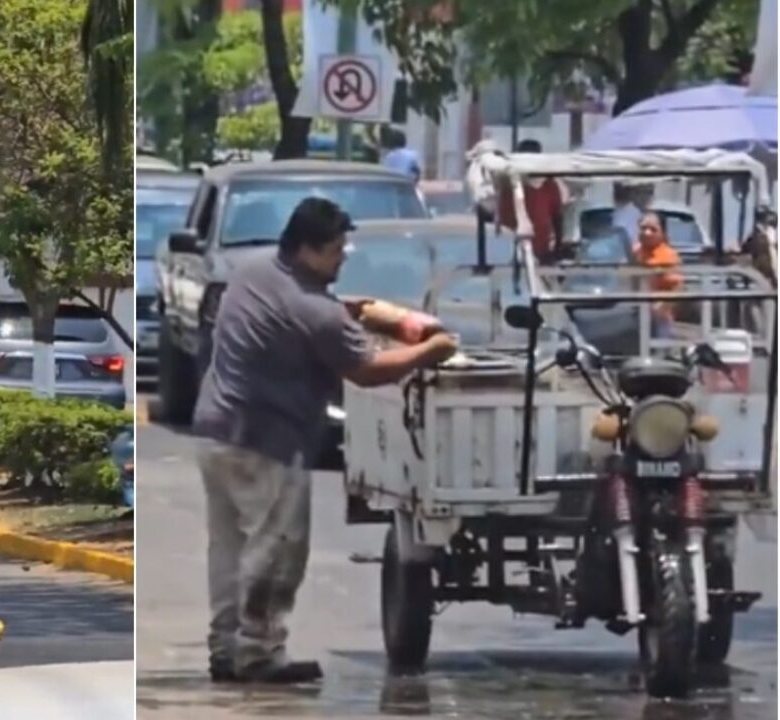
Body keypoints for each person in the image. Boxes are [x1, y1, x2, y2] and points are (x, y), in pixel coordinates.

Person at [192, 197, 457, 685]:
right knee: (277, 552)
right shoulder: (315, 312)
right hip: (266, 444)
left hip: (215, 432)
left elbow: (303, 321)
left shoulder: (253, 274)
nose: (343, 257)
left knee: (229, 549)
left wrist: (344, 311)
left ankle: (226, 648)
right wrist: (429, 351)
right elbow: (367, 370)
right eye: (336, 250)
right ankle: (260, 654)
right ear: (308, 250)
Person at [497, 139, 565, 262]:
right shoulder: (509, 185)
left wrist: (558, 247)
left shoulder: (549, 185)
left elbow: (557, 217)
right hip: (514, 249)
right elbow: (504, 219)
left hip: (542, 250)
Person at [633, 211, 684, 338]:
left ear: (663, 233)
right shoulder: (634, 252)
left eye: (653, 229)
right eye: (643, 228)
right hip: (634, 313)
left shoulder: (668, 256)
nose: (647, 233)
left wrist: (660, 308)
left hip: (659, 318)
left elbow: (677, 288)